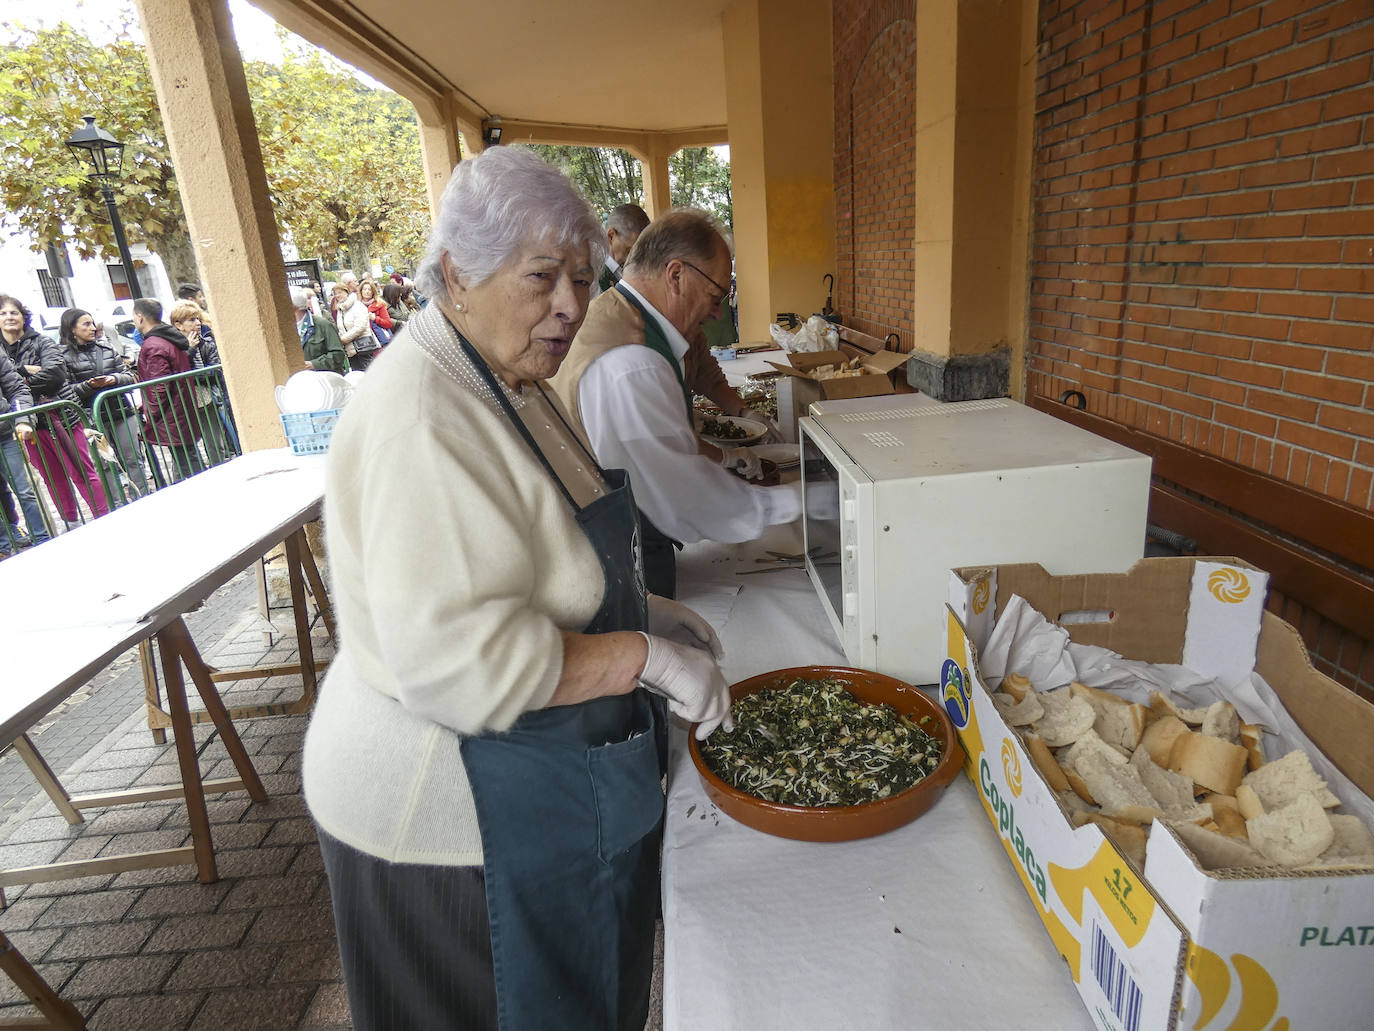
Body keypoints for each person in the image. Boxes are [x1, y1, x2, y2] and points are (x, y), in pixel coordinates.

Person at [303, 146, 731, 1031]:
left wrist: (641, 608)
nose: (571, 304)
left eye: (582, 275)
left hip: (536, 786)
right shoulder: (424, 411)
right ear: (457, 273)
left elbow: (535, 564)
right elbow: (461, 658)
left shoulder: (509, 375)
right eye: (543, 277)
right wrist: (641, 655)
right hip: (444, 823)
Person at [548, 209, 803, 597]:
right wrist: (803, 504)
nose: (718, 312)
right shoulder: (632, 363)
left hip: (626, 521)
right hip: (613, 546)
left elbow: (696, 378)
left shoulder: (633, 316)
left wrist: (736, 417)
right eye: (715, 296)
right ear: (676, 275)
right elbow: (683, 495)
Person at [0, 295, 109, 529]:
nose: (9, 317)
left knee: (82, 471)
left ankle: (105, 518)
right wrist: (23, 371)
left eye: (13, 312)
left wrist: (17, 386)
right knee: (53, 479)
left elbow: (54, 376)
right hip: (28, 425)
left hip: (61, 418)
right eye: (3, 313)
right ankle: (70, 523)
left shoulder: (42, 342)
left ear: (23, 316)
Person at [59, 308, 148, 498]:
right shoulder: (63, 357)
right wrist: (88, 386)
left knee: (133, 458)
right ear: (72, 329)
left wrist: (113, 379)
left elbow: (130, 376)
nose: (92, 328)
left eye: (92, 323)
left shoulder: (107, 349)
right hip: (91, 419)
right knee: (105, 464)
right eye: (86, 324)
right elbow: (66, 390)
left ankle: (142, 497)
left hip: (121, 411)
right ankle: (116, 504)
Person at [133, 298, 204, 485]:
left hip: (171, 411)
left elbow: (160, 385)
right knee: (186, 457)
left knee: (187, 459)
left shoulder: (154, 344)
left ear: (140, 318)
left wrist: (152, 412)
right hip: (179, 408)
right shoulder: (168, 338)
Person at [0, 348, 51, 553]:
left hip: (5, 434)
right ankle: (4, 546)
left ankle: (43, 540)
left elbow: (17, 388)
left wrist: (23, 419)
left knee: (25, 490)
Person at [291, 287, 348, 373]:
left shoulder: (322, 324)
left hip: (323, 379)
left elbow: (338, 355)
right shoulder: (285, 330)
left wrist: (314, 364)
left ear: (294, 305)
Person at [599, 203, 650, 293]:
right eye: (629, 250)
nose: (635, 258)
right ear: (611, 236)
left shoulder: (628, 269)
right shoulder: (594, 276)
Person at [332, 283, 381, 372]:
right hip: (350, 350)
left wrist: (343, 340)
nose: (338, 295)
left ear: (347, 292)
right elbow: (341, 328)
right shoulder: (340, 309)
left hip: (364, 347)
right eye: (336, 293)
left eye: (340, 292)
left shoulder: (358, 306)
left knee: (369, 373)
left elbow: (360, 327)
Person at [357, 278, 394, 343]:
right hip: (365, 341)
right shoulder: (357, 306)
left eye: (370, 289)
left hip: (380, 340)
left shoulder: (379, 305)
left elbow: (388, 323)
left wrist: (375, 319)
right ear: (361, 291)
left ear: (373, 292)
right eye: (364, 289)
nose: (367, 291)